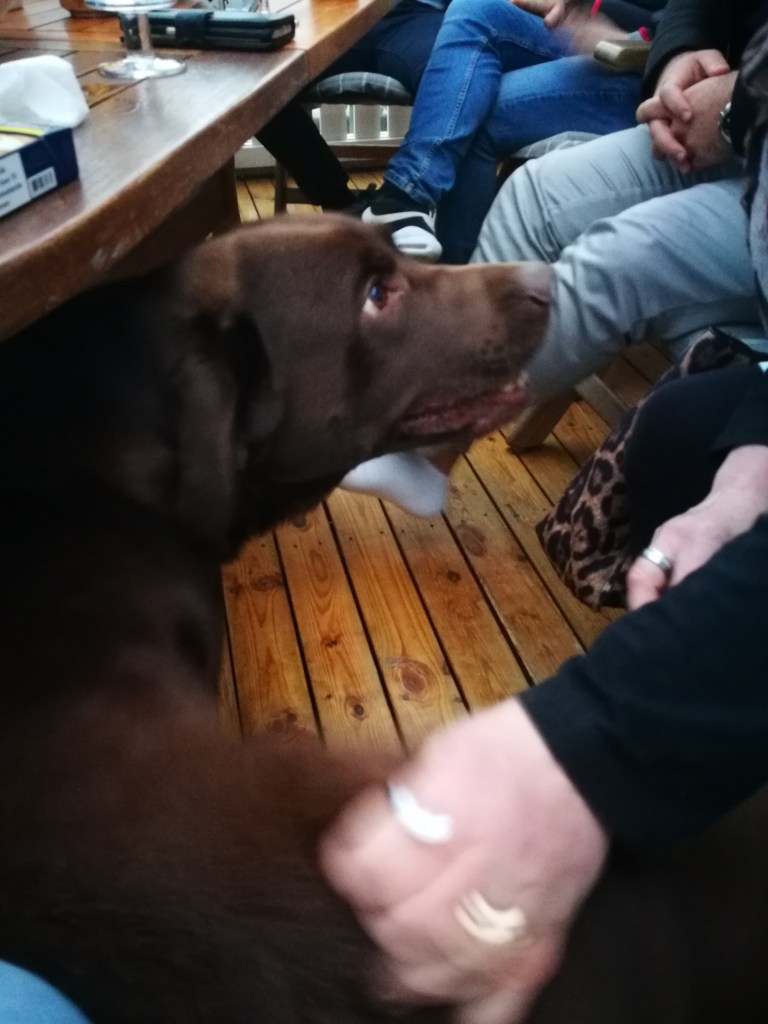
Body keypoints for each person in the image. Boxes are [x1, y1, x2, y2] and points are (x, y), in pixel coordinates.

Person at [320, 9, 768, 1023]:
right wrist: (682, 63)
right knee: (534, 190)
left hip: (737, 133)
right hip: (714, 121)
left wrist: (593, 745)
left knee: (615, 257)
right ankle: (435, 437)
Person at [471, 0, 767, 406]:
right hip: (725, 119)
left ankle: (429, 414)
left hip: (743, 113)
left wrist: (739, 106)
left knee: (617, 261)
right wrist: (678, 54)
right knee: (532, 195)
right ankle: (434, 396)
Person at [258, 0, 664, 259]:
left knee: (466, 98)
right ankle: (388, 204)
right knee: (473, 31)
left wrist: (596, 7)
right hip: (571, 23)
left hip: (635, 53)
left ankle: (450, 271)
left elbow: (678, 16)